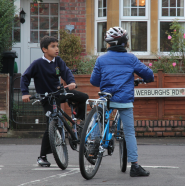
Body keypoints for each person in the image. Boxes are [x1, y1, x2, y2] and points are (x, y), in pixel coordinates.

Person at [90, 26, 154, 177]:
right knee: (129, 132)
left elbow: (94, 81)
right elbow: (149, 75)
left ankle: (93, 143)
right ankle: (135, 166)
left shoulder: (101, 59)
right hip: (124, 100)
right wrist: (143, 79)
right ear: (124, 43)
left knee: (96, 116)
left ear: (109, 43)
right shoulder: (130, 58)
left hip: (106, 98)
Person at [21, 36, 89, 167]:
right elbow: (25, 77)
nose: (57, 49)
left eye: (57, 46)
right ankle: (42, 156)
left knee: (83, 97)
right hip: (47, 98)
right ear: (44, 49)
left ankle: (78, 121)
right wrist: (25, 93)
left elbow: (66, 72)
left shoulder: (58, 61)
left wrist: (71, 82)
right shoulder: (37, 64)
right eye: (53, 46)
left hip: (59, 93)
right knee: (51, 124)